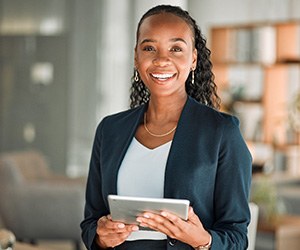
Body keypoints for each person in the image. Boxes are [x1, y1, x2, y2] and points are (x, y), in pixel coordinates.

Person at [80, 4, 252, 250]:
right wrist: (101, 237)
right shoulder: (110, 130)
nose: (162, 59)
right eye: (149, 48)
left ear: (193, 59)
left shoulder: (222, 132)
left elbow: (237, 237)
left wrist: (201, 239)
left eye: (176, 48)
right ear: (137, 57)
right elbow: (90, 221)